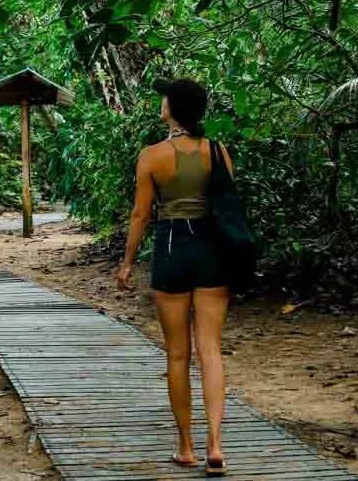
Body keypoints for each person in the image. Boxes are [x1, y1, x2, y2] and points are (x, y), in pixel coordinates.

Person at [116, 77, 233, 476]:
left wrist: (127, 262)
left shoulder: (152, 156)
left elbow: (140, 215)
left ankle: (186, 447)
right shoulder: (217, 151)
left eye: (165, 97)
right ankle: (215, 444)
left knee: (178, 354)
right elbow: (226, 205)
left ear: (173, 108)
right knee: (210, 350)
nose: (161, 101)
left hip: (171, 249)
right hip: (212, 250)